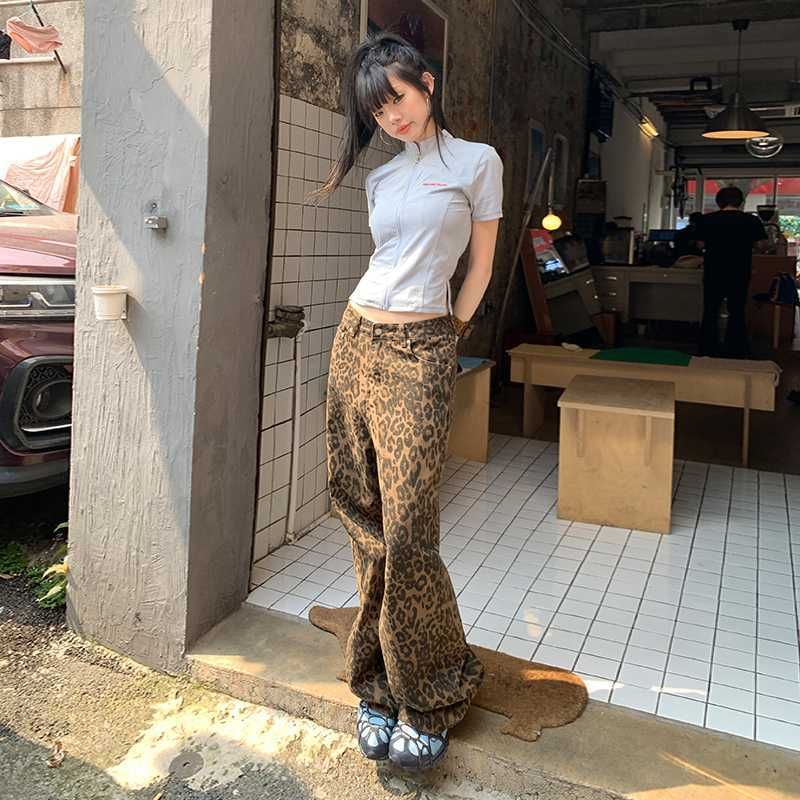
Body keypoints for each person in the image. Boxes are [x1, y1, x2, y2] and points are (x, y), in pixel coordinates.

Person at [311, 32, 503, 771]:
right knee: (360, 512)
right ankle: (375, 683)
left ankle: (431, 693)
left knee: (411, 526)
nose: (392, 116)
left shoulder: (477, 162)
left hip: (422, 345)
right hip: (356, 340)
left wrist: (449, 335)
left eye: (397, 98)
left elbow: (479, 266)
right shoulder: (383, 177)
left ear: (426, 83)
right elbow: (384, 258)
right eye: (377, 110)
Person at [697, 187, 767, 357]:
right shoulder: (751, 221)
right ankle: (736, 349)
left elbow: (700, 245)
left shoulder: (707, 220)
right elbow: (761, 245)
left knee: (710, 310)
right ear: (741, 202)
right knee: (737, 311)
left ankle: (708, 349)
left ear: (718, 202)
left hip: (714, 271)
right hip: (739, 271)